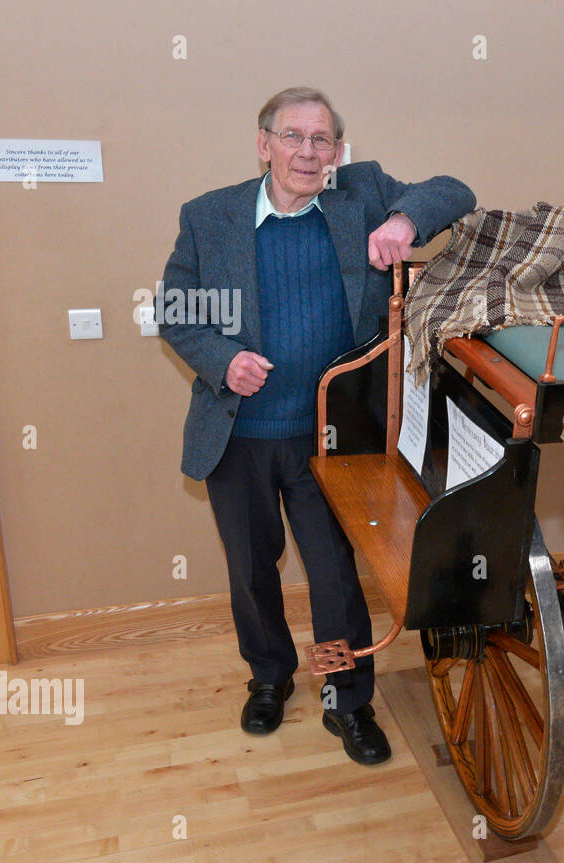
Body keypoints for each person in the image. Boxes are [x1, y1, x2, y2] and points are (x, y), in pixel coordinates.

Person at [159, 87, 475, 765]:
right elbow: (178, 313)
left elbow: (455, 190)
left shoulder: (361, 195)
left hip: (332, 437)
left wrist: (406, 220)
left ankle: (345, 695)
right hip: (240, 435)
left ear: (338, 150)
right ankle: (269, 677)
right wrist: (223, 359)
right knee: (251, 569)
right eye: (294, 136)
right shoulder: (210, 217)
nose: (309, 152)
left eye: (322, 139)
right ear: (263, 142)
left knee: (334, 575)